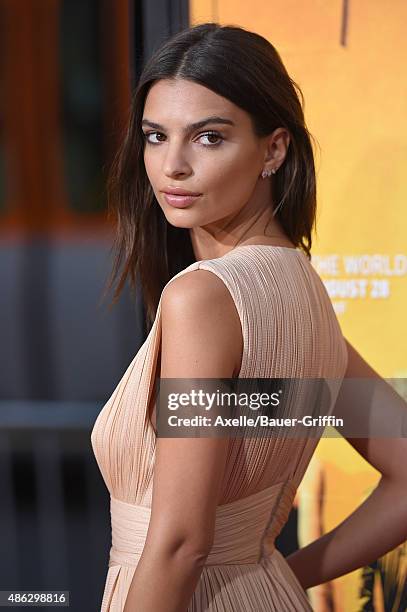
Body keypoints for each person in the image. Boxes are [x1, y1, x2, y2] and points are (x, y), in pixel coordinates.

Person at [90, 22, 407, 612]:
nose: (172, 166)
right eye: (156, 137)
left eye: (209, 138)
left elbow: (181, 544)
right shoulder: (303, 290)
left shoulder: (203, 299)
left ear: (275, 148)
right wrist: (279, 575)